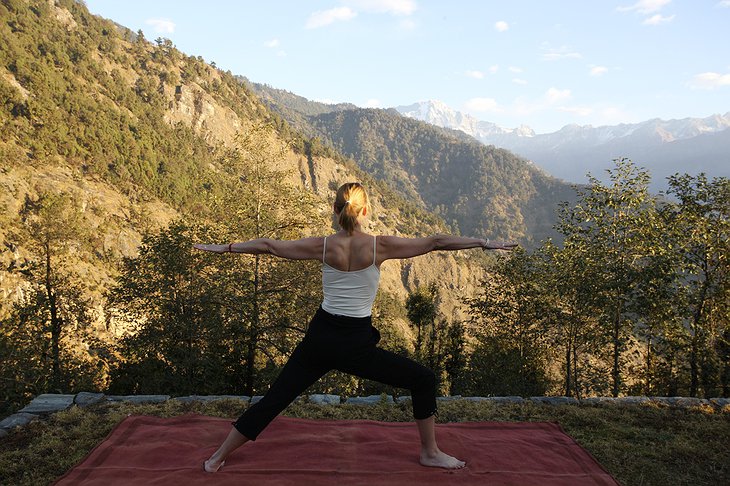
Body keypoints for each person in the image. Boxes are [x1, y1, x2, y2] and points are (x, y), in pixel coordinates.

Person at [194, 182, 517, 473]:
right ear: (365, 211)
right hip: (355, 344)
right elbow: (435, 241)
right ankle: (429, 452)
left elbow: (268, 245)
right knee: (424, 379)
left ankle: (216, 457)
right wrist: (483, 242)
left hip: (319, 339)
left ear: (335, 210)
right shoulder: (380, 246)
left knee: (274, 399)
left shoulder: (322, 246)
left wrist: (227, 248)